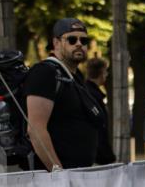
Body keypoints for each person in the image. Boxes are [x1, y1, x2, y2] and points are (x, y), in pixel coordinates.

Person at [25, 18, 104, 170]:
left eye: (84, 40)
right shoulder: (45, 72)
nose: (79, 44)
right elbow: (35, 129)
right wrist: (58, 173)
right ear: (56, 43)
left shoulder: (75, 76)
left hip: (79, 174)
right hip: (53, 179)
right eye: (72, 39)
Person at [84, 57, 116, 165]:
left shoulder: (85, 92)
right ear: (102, 72)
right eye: (106, 71)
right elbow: (100, 129)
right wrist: (107, 156)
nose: (107, 74)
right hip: (96, 158)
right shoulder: (93, 96)